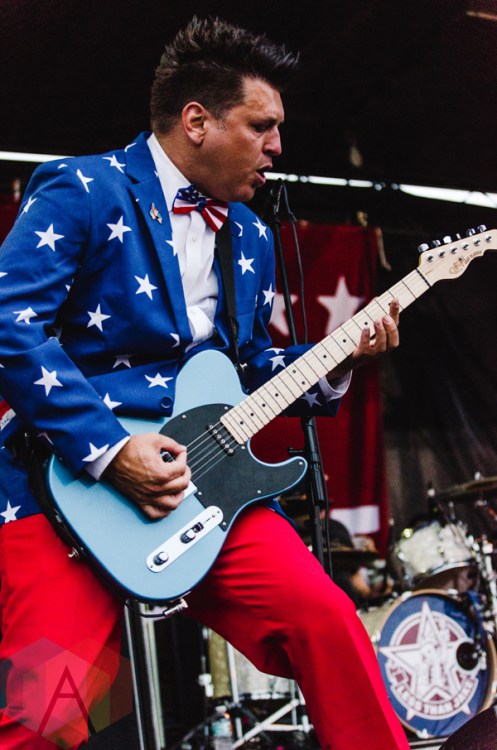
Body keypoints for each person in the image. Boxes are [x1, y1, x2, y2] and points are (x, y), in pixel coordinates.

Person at [0, 16, 408, 750]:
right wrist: (109, 452)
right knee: (42, 715)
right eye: (261, 125)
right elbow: (9, 322)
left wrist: (339, 356)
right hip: (63, 487)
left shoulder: (248, 234)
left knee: (326, 624)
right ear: (196, 121)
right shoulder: (86, 188)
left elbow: (246, 372)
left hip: (202, 488)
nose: (277, 146)